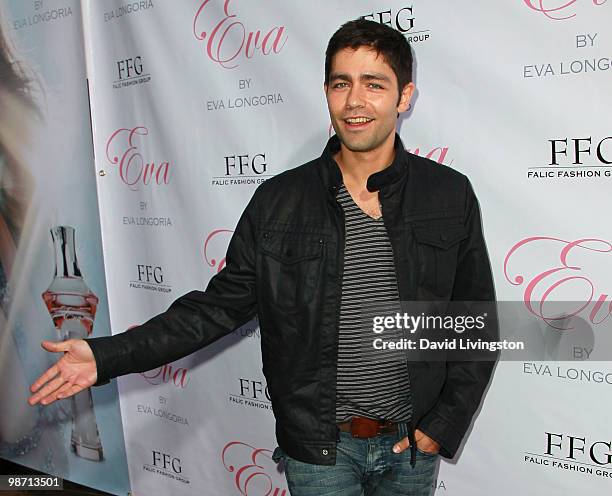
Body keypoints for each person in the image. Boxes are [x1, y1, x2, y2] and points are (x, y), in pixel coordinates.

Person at [29, 19, 497, 496]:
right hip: (319, 451)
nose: (355, 101)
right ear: (327, 92)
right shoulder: (280, 201)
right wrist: (106, 355)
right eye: (342, 84)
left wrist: (444, 422)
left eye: (374, 84)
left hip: (411, 448)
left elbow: (475, 320)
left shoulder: (448, 194)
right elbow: (214, 311)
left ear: (404, 96)